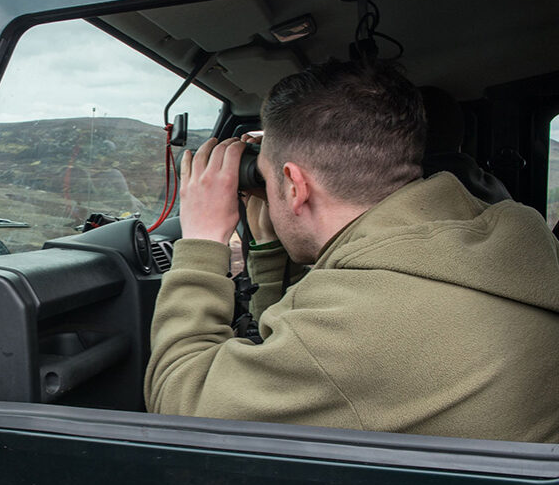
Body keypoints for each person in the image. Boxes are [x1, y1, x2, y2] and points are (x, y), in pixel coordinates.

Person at [144, 60, 559, 442]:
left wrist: (200, 243)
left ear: (294, 185)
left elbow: (182, 403)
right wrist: (270, 249)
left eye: (269, 180)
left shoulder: (357, 325)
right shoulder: (512, 233)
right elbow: (296, 345)